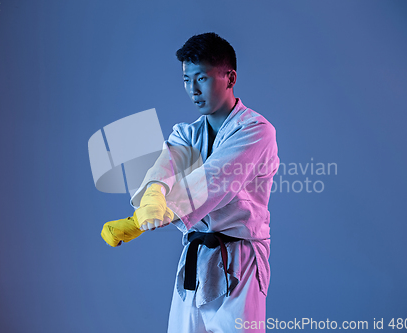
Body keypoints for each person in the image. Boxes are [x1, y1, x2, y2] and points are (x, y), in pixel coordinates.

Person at [101, 32, 279, 333]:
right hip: (196, 258)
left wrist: (138, 221)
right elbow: (166, 165)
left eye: (202, 78)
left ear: (230, 77)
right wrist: (151, 197)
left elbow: (216, 179)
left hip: (240, 260)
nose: (193, 90)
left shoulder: (256, 131)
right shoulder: (187, 133)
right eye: (186, 80)